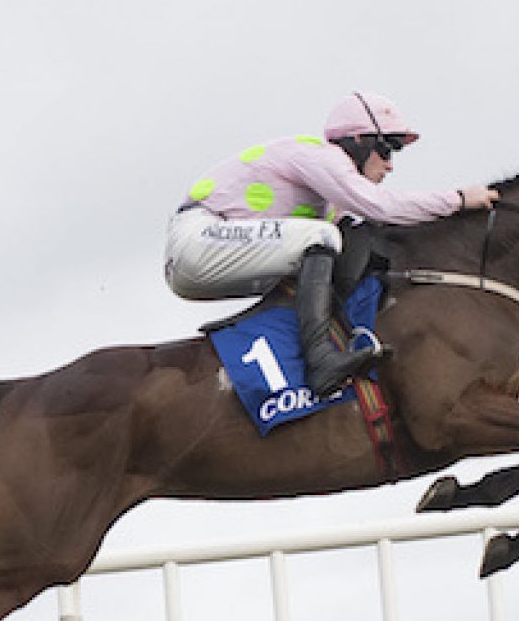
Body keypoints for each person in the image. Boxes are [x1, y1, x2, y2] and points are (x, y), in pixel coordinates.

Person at [166, 92, 499, 397]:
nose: (390, 164)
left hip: (218, 255)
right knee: (323, 238)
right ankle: (320, 360)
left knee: (348, 239)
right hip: (197, 241)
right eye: (386, 149)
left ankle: (313, 343)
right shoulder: (321, 156)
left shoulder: (331, 197)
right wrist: (458, 200)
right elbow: (381, 206)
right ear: (357, 140)